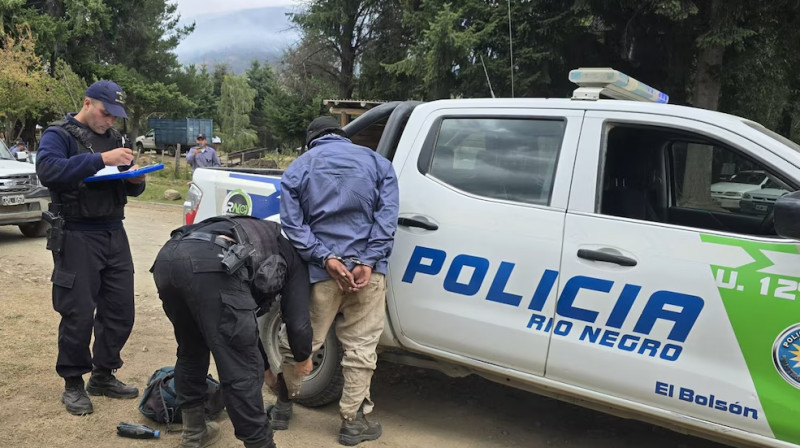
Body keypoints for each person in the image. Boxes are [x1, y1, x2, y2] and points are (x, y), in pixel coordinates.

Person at [275, 116, 399, 446]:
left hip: (320, 275)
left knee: (299, 343)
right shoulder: (379, 163)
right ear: (342, 136)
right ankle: (351, 423)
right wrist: (368, 261)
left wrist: (326, 258)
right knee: (361, 348)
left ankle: (283, 407)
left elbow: (293, 224)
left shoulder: (300, 167)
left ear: (312, 140)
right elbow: (387, 220)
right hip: (367, 277)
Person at [151, 215, 314, 448]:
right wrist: (303, 356)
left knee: (191, 348)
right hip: (213, 264)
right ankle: (260, 444)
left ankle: (194, 432)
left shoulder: (257, 232)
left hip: (168, 259)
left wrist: (267, 368)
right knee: (241, 368)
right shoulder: (293, 256)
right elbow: (298, 323)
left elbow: (243, 326)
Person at [35, 80, 147, 416]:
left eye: (116, 116)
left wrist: (136, 181)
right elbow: (48, 170)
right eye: (105, 112)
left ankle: (103, 374)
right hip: (76, 233)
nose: (110, 121)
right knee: (78, 312)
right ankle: (73, 382)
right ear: (87, 103)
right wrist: (100, 159)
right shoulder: (60, 134)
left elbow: (122, 186)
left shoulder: (114, 139)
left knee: (120, 309)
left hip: (113, 231)